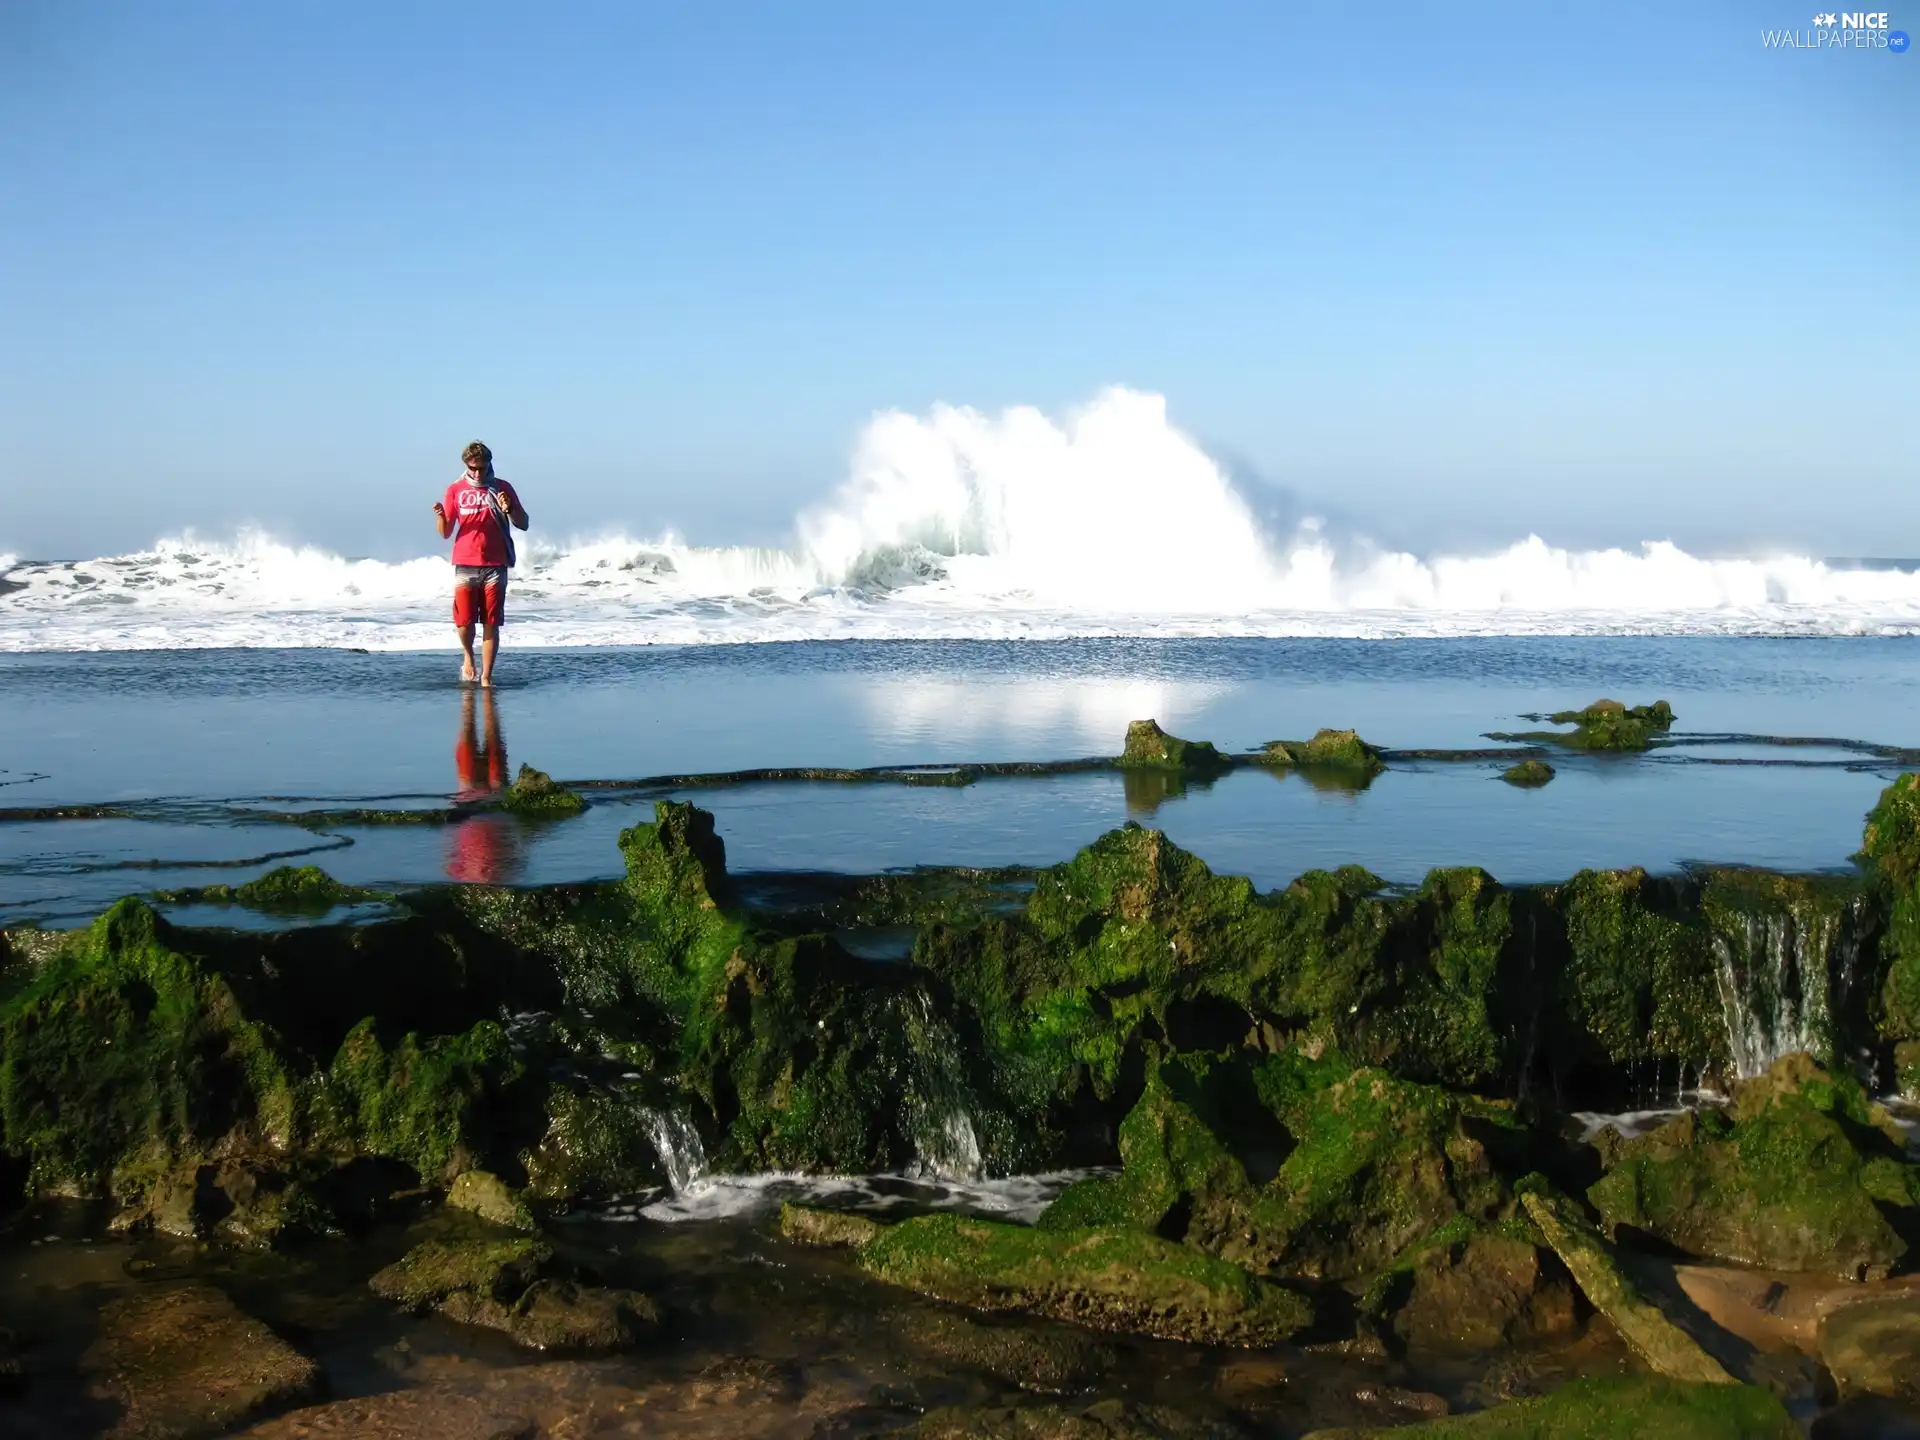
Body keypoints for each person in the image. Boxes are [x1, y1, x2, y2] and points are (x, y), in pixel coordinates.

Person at [432, 440, 528, 687]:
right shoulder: (455, 489)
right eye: (472, 468)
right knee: (463, 622)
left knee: (491, 623)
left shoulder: (502, 487)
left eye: (481, 468)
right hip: (465, 562)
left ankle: (486, 677)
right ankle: (468, 656)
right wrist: (441, 516)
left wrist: (509, 509)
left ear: (489, 465)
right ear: (466, 465)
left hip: (496, 563)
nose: (477, 473)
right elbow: (445, 532)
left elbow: (524, 522)